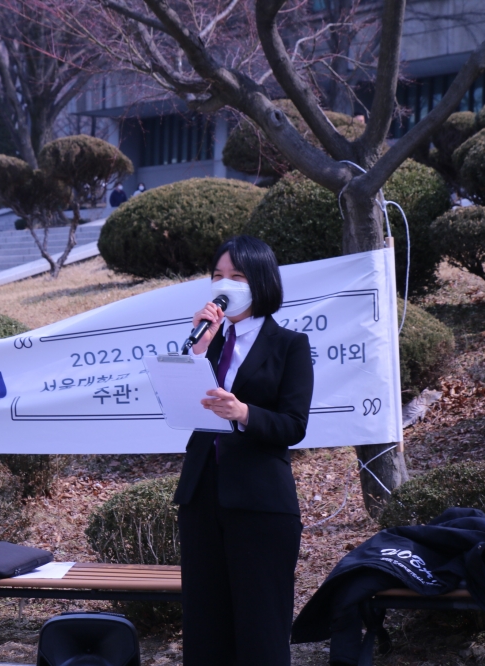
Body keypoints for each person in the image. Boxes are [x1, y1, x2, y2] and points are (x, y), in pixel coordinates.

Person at [175, 235, 314, 666]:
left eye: (236, 276)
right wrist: (196, 350)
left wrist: (243, 412)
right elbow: (182, 405)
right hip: (202, 496)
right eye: (218, 276)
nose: (225, 284)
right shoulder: (206, 343)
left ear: (260, 282)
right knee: (204, 622)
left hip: (260, 502)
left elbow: (293, 425)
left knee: (260, 626)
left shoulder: (290, 344)